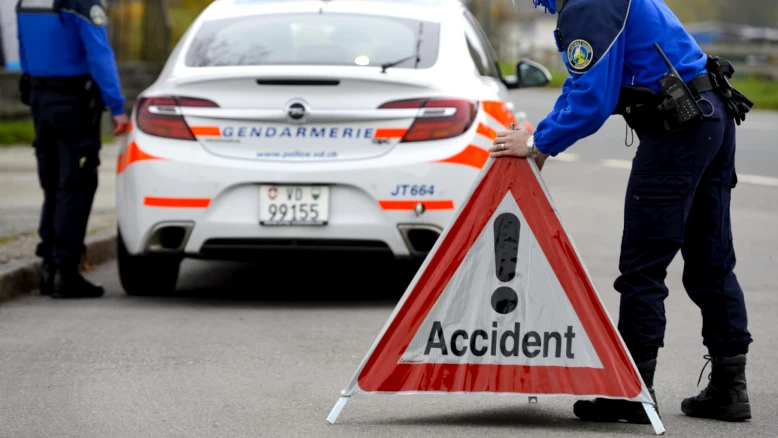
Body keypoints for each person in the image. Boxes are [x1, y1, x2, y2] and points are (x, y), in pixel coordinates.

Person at [490, 0, 754, 424]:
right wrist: (542, 136)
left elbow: (594, 99)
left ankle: (632, 391)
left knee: (642, 266)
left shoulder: (589, 4)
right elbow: (585, 82)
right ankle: (729, 388)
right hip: (710, 117)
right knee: (710, 260)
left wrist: (539, 144)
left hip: (678, 127)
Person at [16, 0, 128, 298]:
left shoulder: (28, 2)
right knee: (76, 185)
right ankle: (65, 273)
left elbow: (23, 49)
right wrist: (117, 106)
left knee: (52, 183)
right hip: (73, 102)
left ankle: (49, 268)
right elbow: (99, 54)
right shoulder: (82, 3)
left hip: (40, 99)